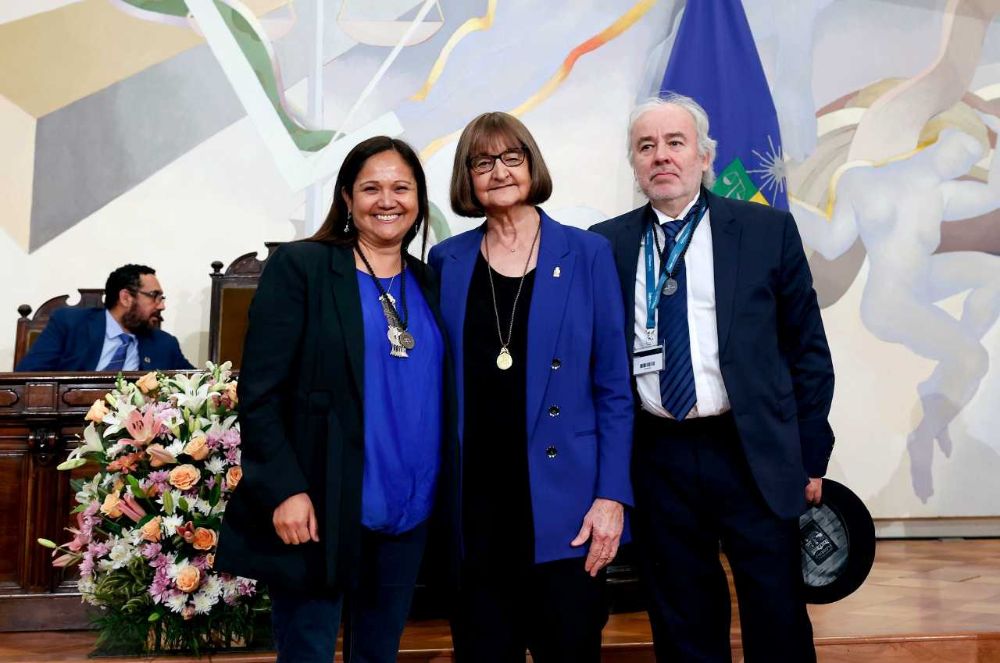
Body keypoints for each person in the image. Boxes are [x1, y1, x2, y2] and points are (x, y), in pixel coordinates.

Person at [590, 93, 835, 662]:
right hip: (658, 455)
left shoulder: (765, 230)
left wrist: (810, 455)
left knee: (775, 614)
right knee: (682, 619)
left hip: (750, 450)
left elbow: (808, 353)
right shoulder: (606, 245)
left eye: (676, 143)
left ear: (704, 157)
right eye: (646, 146)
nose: (661, 157)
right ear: (634, 164)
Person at [215, 136, 458, 663]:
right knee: (307, 653)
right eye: (371, 188)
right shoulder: (304, 267)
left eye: (401, 187)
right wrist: (283, 489)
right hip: (321, 504)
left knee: (378, 654)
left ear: (419, 200)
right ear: (347, 198)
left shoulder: (429, 281)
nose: (387, 200)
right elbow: (260, 392)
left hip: (409, 508)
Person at [428, 112, 633, 663]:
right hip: (476, 509)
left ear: (532, 165)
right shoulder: (447, 260)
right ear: (467, 177)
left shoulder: (586, 254)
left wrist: (611, 498)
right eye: (482, 161)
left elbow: (614, 388)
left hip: (565, 507)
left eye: (511, 158)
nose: (498, 171)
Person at [15, 264, 193, 372]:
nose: (161, 305)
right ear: (126, 297)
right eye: (154, 296)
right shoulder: (69, 324)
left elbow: (197, 384)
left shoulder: (164, 344)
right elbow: (27, 377)